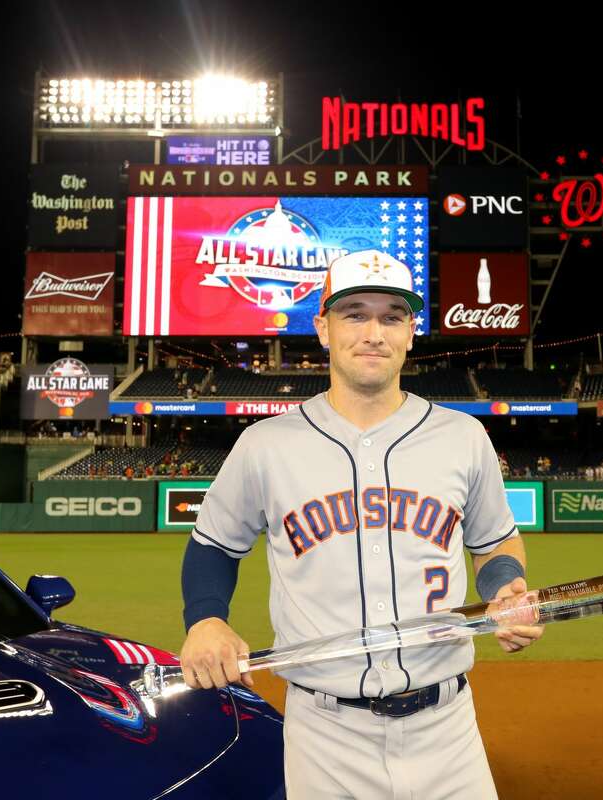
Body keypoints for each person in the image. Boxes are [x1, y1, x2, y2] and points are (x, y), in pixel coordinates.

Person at [178, 249, 543, 799]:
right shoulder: (265, 446)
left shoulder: (463, 436)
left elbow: (496, 542)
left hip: (448, 726)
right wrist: (205, 619)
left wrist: (502, 587)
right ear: (322, 328)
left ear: (411, 332)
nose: (374, 332)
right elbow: (213, 546)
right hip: (325, 734)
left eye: (392, 316)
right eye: (355, 314)